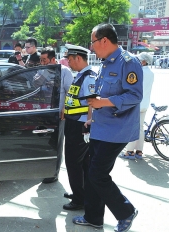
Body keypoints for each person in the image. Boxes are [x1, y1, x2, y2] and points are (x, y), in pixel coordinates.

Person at [72, 23, 142, 232]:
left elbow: (134, 95)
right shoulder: (105, 63)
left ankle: (126, 212)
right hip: (99, 127)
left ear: (104, 40)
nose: (91, 48)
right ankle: (93, 217)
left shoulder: (128, 62)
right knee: (92, 173)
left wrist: (103, 102)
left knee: (97, 174)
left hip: (117, 130)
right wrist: (91, 115)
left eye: (92, 42)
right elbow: (99, 95)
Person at [62, 44, 96, 210]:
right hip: (73, 122)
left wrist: (88, 125)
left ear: (78, 58)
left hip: (80, 125)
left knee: (74, 162)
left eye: (70, 59)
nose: (68, 62)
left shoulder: (89, 77)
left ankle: (79, 200)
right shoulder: (80, 76)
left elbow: (92, 103)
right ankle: (80, 193)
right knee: (81, 162)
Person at [39, 47, 74, 184]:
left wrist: (64, 109)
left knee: (57, 144)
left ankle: (53, 173)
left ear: (53, 59)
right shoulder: (42, 71)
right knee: (45, 142)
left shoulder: (64, 72)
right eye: (41, 60)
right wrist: (43, 73)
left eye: (45, 60)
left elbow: (70, 92)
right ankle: (44, 169)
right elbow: (35, 84)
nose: (42, 63)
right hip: (43, 112)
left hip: (58, 114)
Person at [119, 52, 154, 159]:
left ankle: (129, 151)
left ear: (143, 61)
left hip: (136, 103)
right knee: (140, 127)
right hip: (145, 103)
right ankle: (139, 151)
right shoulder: (151, 73)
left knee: (132, 127)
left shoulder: (138, 72)